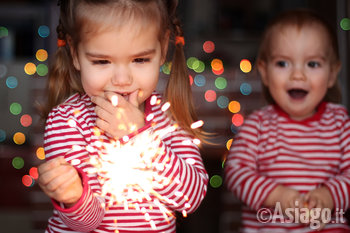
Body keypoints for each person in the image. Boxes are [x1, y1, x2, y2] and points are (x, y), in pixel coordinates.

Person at [37, 0, 208, 232]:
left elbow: (191, 197)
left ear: (162, 50)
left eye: (140, 60)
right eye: (102, 61)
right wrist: (73, 196)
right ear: (75, 53)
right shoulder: (67, 121)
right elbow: (87, 222)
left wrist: (139, 136)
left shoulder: (169, 116)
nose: (121, 80)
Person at [224, 9, 350, 232]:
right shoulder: (257, 126)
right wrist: (278, 195)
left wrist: (329, 196)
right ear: (264, 72)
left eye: (312, 64)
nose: (297, 75)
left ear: (332, 73)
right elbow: (236, 173)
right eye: (283, 64)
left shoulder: (340, 123)